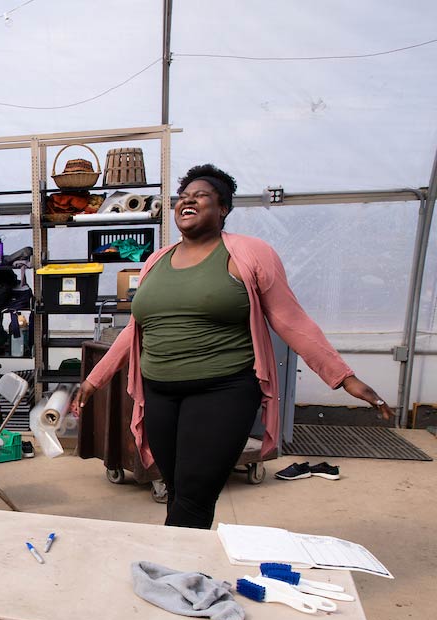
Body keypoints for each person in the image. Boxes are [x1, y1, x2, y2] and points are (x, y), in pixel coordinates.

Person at [73, 164, 393, 529]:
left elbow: (291, 320)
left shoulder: (250, 254)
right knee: (178, 487)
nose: (188, 201)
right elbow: (136, 329)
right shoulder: (156, 261)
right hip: (160, 393)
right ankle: (185, 568)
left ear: (223, 208)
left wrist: (344, 377)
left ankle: (174, 569)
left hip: (221, 391)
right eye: (184, 196)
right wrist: (93, 381)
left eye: (201, 196)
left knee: (195, 494)